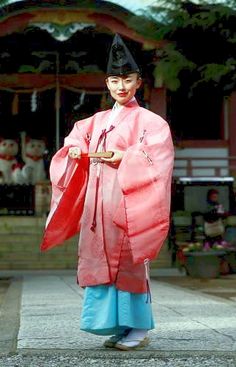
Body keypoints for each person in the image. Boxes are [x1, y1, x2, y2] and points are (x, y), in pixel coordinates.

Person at [41, 34, 174, 350]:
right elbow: (76, 138)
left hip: (129, 203)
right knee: (100, 259)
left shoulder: (151, 122)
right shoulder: (97, 120)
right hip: (97, 204)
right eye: (115, 80)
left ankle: (138, 327)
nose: (122, 86)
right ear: (107, 82)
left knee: (129, 262)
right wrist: (73, 150)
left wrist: (125, 157)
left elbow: (159, 157)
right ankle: (115, 324)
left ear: (138, 82)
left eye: (128, 80)